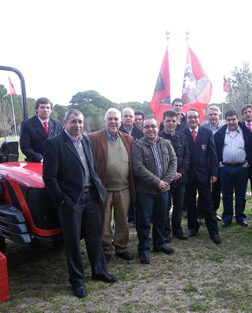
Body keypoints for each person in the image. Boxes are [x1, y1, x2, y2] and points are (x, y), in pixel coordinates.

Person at [43, 109, 116, 299]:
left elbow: (91, 167)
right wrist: (61, 200)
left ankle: (99, 271)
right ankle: (77, 281)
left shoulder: (85, 140)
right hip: (70, 201)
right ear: (65, 122)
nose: (78, 125)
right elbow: (49, 177)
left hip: (90, 196)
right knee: (73, 242)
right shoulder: (54, 144)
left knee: (94, 236)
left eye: (80, 122)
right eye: (74, 122)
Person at [88, 108, 135, 263]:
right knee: (104, 222)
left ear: (120, 121)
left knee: (122, 220)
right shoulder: (93, 138)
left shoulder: (128, 139)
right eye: (110, 119)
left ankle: (121, 247)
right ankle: (106, 249)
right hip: (104, 189)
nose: (113, 122)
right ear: (105, 121)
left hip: (124, 188)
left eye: (116, 119)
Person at [132, 116, 177, 264]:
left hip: (163, 190)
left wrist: (166, 181)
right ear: (143, 129)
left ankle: (159, 244)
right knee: (144, 222)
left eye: (153, 126)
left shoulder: (166, 143)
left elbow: (173, 162)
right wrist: (157, 182)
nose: (150, 129)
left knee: (161, 219)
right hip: (145, 191)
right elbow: (138, 168)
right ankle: (144, 250)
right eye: (147, 127)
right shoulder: (137, 146)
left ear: (158, 127)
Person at [181, 109, 221, 244]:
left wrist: (214, 173)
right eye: (190, 117)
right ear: (187, 119)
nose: (192, 120)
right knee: (190, 202)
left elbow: (212, 154)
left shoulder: (207, 132)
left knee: (208, 203)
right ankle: (193, 227)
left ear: (199, 119)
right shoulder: (182, 134)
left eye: (195, 117)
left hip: (204, 174)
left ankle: (213, 231)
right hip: (188, 175)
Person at [214, 110, 252, 227]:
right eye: (229, 120)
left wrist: (248, 163)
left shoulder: (246, 132)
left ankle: (240, 217)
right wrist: (219, 163)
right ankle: (227, 217)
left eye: (233, 119)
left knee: (241, 195)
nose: (231, 122)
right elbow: (214, 151)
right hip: (225, 168)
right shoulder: (220, 134)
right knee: (226, 195)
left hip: (242, 168)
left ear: (238, 119)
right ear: (225, 120)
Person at [159, 110, 190, 241]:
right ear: (163, 122)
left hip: (180, 179)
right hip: (165, 180)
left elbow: (187, 156)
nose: (171, 123)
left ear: (177, 122)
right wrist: (171, 174)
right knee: (165, 207)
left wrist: (181, 172)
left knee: (179, 206)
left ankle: (177, 230)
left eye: (173, 121)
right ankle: (166, 232)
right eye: (168, 121)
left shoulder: (182, 137)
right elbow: (158, 161)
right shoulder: (158, 137)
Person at [20, 97, 62, 162]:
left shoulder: (57, 124)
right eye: (42, 107)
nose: (45, 110)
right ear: (36, 109)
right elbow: (25, 147)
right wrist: (40, 159)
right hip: (35, 163)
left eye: (48, 107)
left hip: (55, 162)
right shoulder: (27, 124)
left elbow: (62, 144)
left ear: (51, 110)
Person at [201, 105, 223, 219]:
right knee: (203, 190)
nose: (213, 117)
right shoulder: (202, 128)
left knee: (216, 190)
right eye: (210, 114)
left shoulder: (224, 129)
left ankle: (213, 212)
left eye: (215, 114)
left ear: (219, 115)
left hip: (219, 164)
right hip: (204, 165)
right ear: (207, 116)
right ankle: (201, 213)